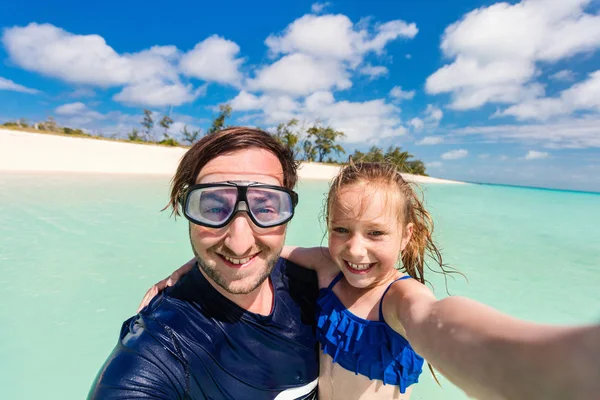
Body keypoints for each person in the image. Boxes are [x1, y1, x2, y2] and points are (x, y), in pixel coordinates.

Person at [141, 160, 600, 400]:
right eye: (342, 230)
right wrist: (196, 268)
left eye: (375, 234)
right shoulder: (326, 268)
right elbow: (261, 253)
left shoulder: (400, 298)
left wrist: (535, 365)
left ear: (407, 235)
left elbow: (439, 322)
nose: (355, 251)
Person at [89, 127, 321, 399]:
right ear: (187, 211)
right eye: (213, 208)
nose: (240, 243)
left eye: (265, 208)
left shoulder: (319, 283)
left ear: (286, 215)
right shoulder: (158, 348)